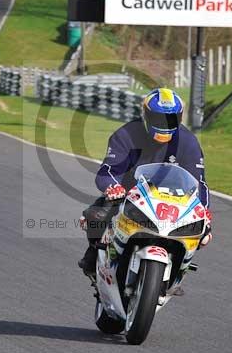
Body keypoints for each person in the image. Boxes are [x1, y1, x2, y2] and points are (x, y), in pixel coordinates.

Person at [78, 87, 212, 276]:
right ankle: (95, 252)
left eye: (171, 119)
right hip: (129, 197)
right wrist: (113, 187)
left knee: (203, 234)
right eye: (159, 119)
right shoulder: (126, 134)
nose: (165, 125)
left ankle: (177, 270)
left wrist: (205, 211)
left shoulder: (188, 142)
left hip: (172, 200)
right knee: (95, 217)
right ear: (146, 115)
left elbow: (200, 183)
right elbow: (108, 171)